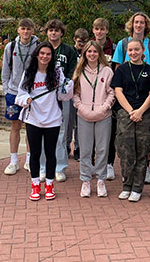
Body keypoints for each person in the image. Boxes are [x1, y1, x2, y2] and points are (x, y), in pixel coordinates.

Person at [16, 42, 74, 201]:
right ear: (37, 54)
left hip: (53, 119)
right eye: (42, 53)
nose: (45, 56)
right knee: (34, 153)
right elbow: (19, 94)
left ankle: (49, 184)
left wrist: (69, 87)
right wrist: (25, 99)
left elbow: (64, 96)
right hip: (33, 118)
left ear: (52, 56)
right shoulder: (29, 72)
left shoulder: (57, 73)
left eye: (48, 54)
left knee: (50, 153)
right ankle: (35, 185)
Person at [112, 12, 150, 184]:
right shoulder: (123, 44)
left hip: (146, 100)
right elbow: (118, 70)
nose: (139, 25)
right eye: (136, 22)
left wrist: (141, 109)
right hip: (127, 101)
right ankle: (128, 176)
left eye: (142, 22)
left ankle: (143, 170)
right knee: (126, 142)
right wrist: (130, 109)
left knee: (144, 140)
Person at [72, 41, 115, 198]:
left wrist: (104, 107)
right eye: (89, 51)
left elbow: (112, 92)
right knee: (85, 149)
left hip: (103, 115)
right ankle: (85, 180)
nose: (91, 54)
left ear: (99, 54)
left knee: (102, 149)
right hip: (84, 115)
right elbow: (75, 94)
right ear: (84, 54)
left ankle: (101, 180)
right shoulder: (79, 71)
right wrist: (81, 108)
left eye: (94, 52)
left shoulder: (107, 71)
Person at [40, 19, 78, 182]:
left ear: (61, 32)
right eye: (50, 30)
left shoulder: (69, 50)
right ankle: (43, 167)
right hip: (43, 95)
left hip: (62, 95)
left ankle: (60, 167)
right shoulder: (42, 49)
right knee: (42, 130)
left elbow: (73, 71)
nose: (53, 33)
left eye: (56, 30)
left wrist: (65, 84)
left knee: (62, 132)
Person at [1, 18, 39, 175]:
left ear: (33, 31)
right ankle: (13, 161)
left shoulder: (38, 46)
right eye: (23, 28)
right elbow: (5, 70)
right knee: (15, 126)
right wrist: (6, 90)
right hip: (14, 92)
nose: (26, 32)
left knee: (31, 127)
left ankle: (29, 161)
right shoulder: (11, 47)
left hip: (32, 93)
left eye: (29, 29)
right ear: (18, 30)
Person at [92, 17, 117, 180]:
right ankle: (95, 163)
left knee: (110, 132)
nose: (99, 32)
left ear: (107, 30)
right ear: (93, 30)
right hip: (92, 95)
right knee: (92, 133)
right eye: (96, 29)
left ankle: (108, 164)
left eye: (102, 29)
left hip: (108, 95)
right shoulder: (89, 48)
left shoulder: (114, 48)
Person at [69, 28, 89, 161]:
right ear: (74, 40)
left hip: (84, 91)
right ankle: (66, 146)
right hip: (71, 90)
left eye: (84, 42)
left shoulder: (88, 53)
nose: (81, 45)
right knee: (69, 121)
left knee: (80, 122)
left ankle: (78, 148)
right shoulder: (70, 52)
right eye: (79, 42)